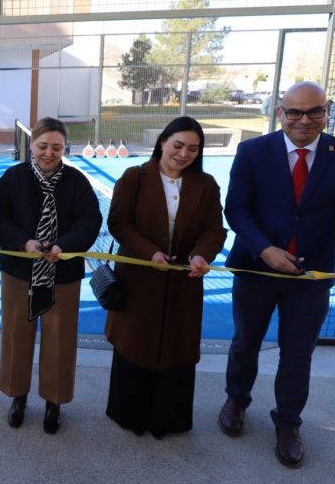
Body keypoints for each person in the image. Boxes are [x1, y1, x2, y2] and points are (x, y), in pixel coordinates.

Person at [219, 81, 335, 468]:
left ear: (327, 112)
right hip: (256, 268)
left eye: (314, 111)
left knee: (298, 354)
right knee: (245, 342)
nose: (304, 120)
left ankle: (288, 423)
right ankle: (237, 399)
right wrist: (265, 249)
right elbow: (237, 208)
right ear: (280, 113)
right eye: (295, 112)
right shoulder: (253, 151)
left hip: (312, 275)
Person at [104, 116, 227, 439]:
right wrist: (149, 254)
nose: (184, 153)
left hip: (183, 284)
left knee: (176, 346)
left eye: (192, 149)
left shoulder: (206, 185)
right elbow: (120, 224)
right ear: (162, 142)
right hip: (139, 280)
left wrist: (202, 255)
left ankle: (168, 419)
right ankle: (130, 414)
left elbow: (215, 229)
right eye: (178, 145)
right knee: (136, 343)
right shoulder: (135, 178)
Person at [0, 117, 101, 435]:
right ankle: (17, 397)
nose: (49, 153)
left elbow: (90, 220)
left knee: (59, 340)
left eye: (57, 147)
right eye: (42, 146)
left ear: (65, 149)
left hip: (62, 273)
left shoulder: (76, 182)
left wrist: (65, 245)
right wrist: (25, 243)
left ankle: (54, 401)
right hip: (19, 271)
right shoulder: (13, 178)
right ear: (32, 145)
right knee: (16, 336)